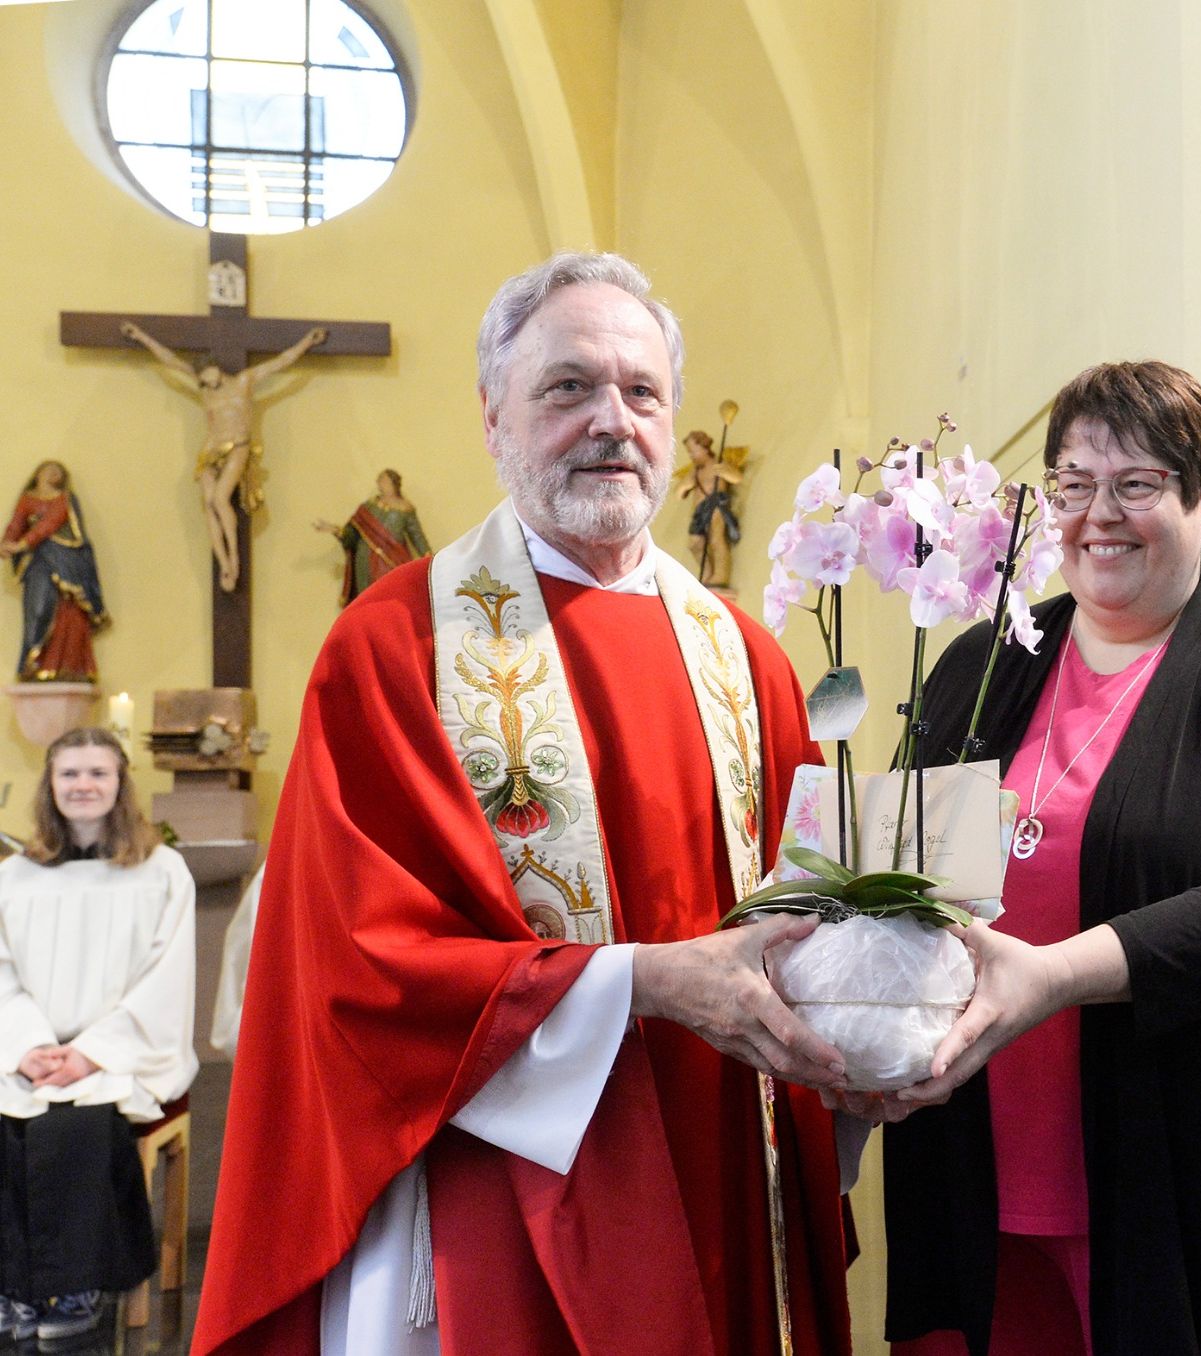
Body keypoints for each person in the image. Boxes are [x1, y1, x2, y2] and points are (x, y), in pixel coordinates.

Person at [192, 252, 853, 1356]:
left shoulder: (748, 659)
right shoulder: (395, 648)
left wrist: (883, 1000)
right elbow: (357, 964)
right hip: (504, 1182)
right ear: (492, 414)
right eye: (567, 388)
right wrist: (641, 982)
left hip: (727, 1156)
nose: (612, 421)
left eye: (641, 392)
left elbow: (816, 909)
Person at [868, 362, 1201, 1355]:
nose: (1097, 515)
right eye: (1071, 485)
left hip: (1185, 1171)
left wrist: (1052, 976)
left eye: (1136, 484)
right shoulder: (986, 665)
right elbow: (903, 879)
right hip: (977, 1159)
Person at [0, 726, 198, 1350]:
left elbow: (168, 979)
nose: (83, 786)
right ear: (50, 786)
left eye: (97, 774)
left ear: (120, 785)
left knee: (73, 1127)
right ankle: (13, 1288)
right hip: (25, 1053)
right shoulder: (16, 876)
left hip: (120, 1054)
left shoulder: (161, 871)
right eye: (69, 774)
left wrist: (89, 1053)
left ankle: (71, 1289)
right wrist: (27, 1045)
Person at [120, 320, 328, 593]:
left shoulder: (244, 381)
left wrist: (307, 342)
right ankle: (222, 563)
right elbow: (170, 360)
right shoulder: (204, 387)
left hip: (238, 447)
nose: (207, 385)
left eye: (209, 377)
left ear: (215, 368)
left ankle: (234, 559)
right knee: (208, 503)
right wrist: (141, 337)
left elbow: (280, 362)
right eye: (203, 381)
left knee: (220, 499)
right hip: (210, 450)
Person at [0, 461, 109, 682]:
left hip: (68, 559)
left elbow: (50, 523)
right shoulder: (27, 499)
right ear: (38, 473)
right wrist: (6, 543)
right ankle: (34, 663)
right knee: (38, 608)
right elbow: (16, 524)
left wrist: (22, 544)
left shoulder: (65, 498)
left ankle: (69, 666)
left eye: (59, 471)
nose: (55, 473)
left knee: (70, 612)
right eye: (50, 469)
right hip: (38, 561)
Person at [314, 469, 431, 605]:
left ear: (393, 484)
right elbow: (351, 535)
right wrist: (334, 529)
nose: (379, 483)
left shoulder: (405, 509)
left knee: (391, 597)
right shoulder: (368, 507)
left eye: (382, 480)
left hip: (392, 560)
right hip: (365, 561)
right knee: (367, 599)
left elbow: (417, 536)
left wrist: (429, 558)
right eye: (379, 480)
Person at [678, 428, 743, 589]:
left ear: (704, 448)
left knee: (716, 540)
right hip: (699, 512)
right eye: (690, 453)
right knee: (695, 545)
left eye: (693, 452)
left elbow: (737, 478)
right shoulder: (695, 471)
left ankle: (720, 576)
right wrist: (684, 486)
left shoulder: (717, 465)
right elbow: (678, 493)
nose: (692, 456)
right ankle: (707, 574)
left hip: (715, 505)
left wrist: (727, 473)